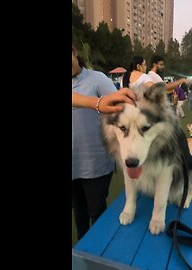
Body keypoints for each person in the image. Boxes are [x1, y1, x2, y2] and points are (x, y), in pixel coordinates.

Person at [72, 45, 117, 240]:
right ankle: (82, 252)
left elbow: (117, 108)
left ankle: (100, 255)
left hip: (95, 162)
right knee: (79, 213)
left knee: (97, 212)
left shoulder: (97, 78)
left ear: (74, 52)